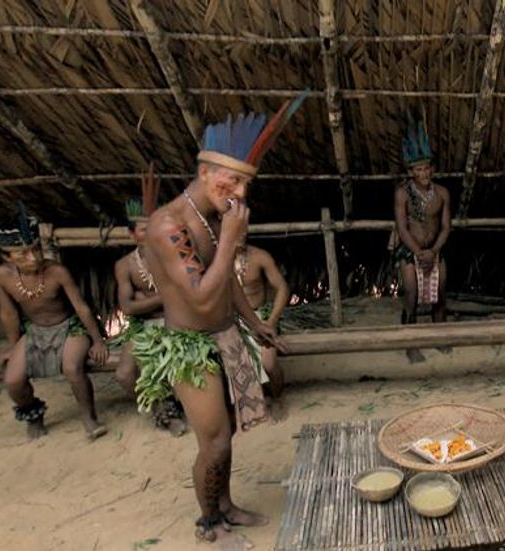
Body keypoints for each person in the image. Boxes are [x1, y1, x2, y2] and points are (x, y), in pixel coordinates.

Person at [135, 98, 302, 545]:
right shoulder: (166, 226)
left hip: (226, 334)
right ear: (204, 171)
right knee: (215, 442)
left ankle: (225, 505)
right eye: (234, 180)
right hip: (190, 344)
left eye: (247, 184)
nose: (241, 194)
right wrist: (231, 238)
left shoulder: (210, 217)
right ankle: (210, 522)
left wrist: (256, 322)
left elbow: (226, 281)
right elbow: (203, 299)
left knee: (226, 432)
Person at [0, 203, 109, 440]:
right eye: (23, 253)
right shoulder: (0, 277)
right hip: (35, 331)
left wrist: (97, 341)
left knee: (73, 368)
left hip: (70, 327)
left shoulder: (56, 272)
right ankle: (33, 415)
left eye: (36, 249)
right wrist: (14, 349)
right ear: (7, 257)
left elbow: (82, 308)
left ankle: (89, 417)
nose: (33, 257)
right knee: (13, 381)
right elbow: (9, 314)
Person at [112, 164, 186, 436]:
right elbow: (129, 307)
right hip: (143, 327)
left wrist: (153, 298)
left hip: (177, 320)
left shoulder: (176, 255)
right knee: (124, 374)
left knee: (183, 362)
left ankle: (186, 407)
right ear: (132, 234)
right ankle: (161, 410)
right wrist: (164, 296)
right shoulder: (125, 266)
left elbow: (186, 295)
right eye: (144, 229)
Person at [392, 116, 451, 363]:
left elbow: (447, 226)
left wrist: (434, 251)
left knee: (439, 294)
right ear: (410, 171)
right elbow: (402, 228)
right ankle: (411, 345)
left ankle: (439, 339)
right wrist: (418, 252)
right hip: (410, 252)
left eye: (426, 167)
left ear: (432, 168)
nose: (423, 173)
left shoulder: (442, 193)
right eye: (418, 169)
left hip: (434, 251)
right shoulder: (403, 194)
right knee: (412, 297)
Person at [234, 240, 289, 421]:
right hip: (232, 321)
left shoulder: (259, 256)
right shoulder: (216, 258)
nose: (241, 234)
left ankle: (277, 398)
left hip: (261, 319)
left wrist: (271, 321)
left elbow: (282, 288)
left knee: (268, 363)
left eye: (244, 229)